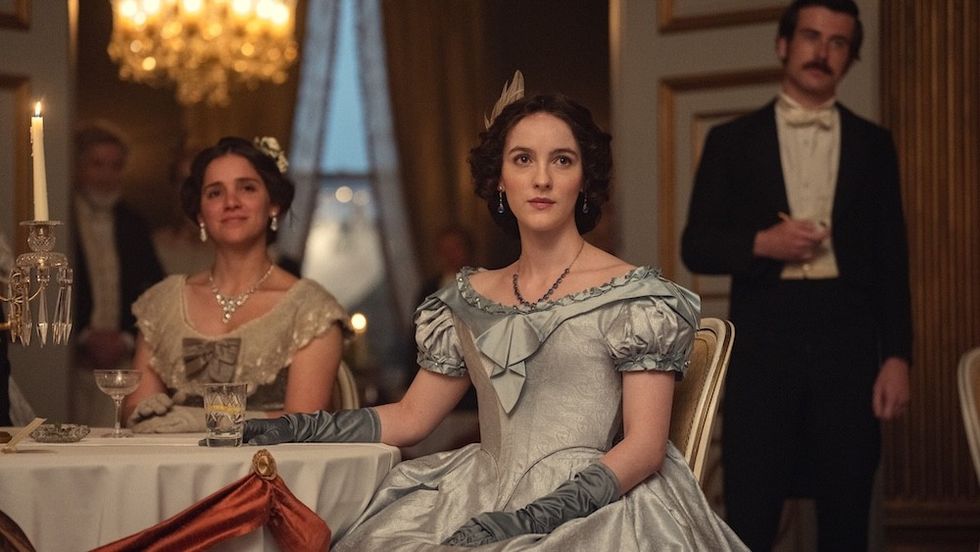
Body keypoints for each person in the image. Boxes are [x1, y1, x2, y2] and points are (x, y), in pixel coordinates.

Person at [244, 81, 748, 550]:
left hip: (594, 505)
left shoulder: (635, 297)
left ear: (585, 181)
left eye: (563, 160)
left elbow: (643, 447)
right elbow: (412, 417)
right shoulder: (466, 297)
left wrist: (534, 518)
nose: (543, 178)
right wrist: (294, 427)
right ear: (500, 180)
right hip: (477, 487)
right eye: (523, 159)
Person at [681, 1, 912, 550]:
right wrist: (764, 242)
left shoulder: (873, 145)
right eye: (811, 36)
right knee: (751, 511)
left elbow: (892, 259)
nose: (822, 52)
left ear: (850, 58)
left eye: (837, 43)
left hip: (851, 342)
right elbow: (697, 245)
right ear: (784, 44)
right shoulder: (731, 141)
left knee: (848, 512)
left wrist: (898, 357)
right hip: (765, 339)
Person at [122, 137, 352, 432]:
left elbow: (307, 422)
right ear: (200, 214)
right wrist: (140, 412)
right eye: (215, 193)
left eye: (247, 188)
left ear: (273, 205)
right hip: (172, 472)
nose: (231, 202)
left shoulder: (310, 309)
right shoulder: (162, 303)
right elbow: (135, 408)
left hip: (272, 473)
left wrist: (209, 421)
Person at [71, 123, 165, 426]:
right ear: (78, 166)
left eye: (115, 166)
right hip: (68, 361)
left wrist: (125, 339)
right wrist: (84, 336)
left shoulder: (134, 222)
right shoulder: (61, 218)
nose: (105, 176)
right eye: (97, 165)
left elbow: (156, 291)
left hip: (124, 362)